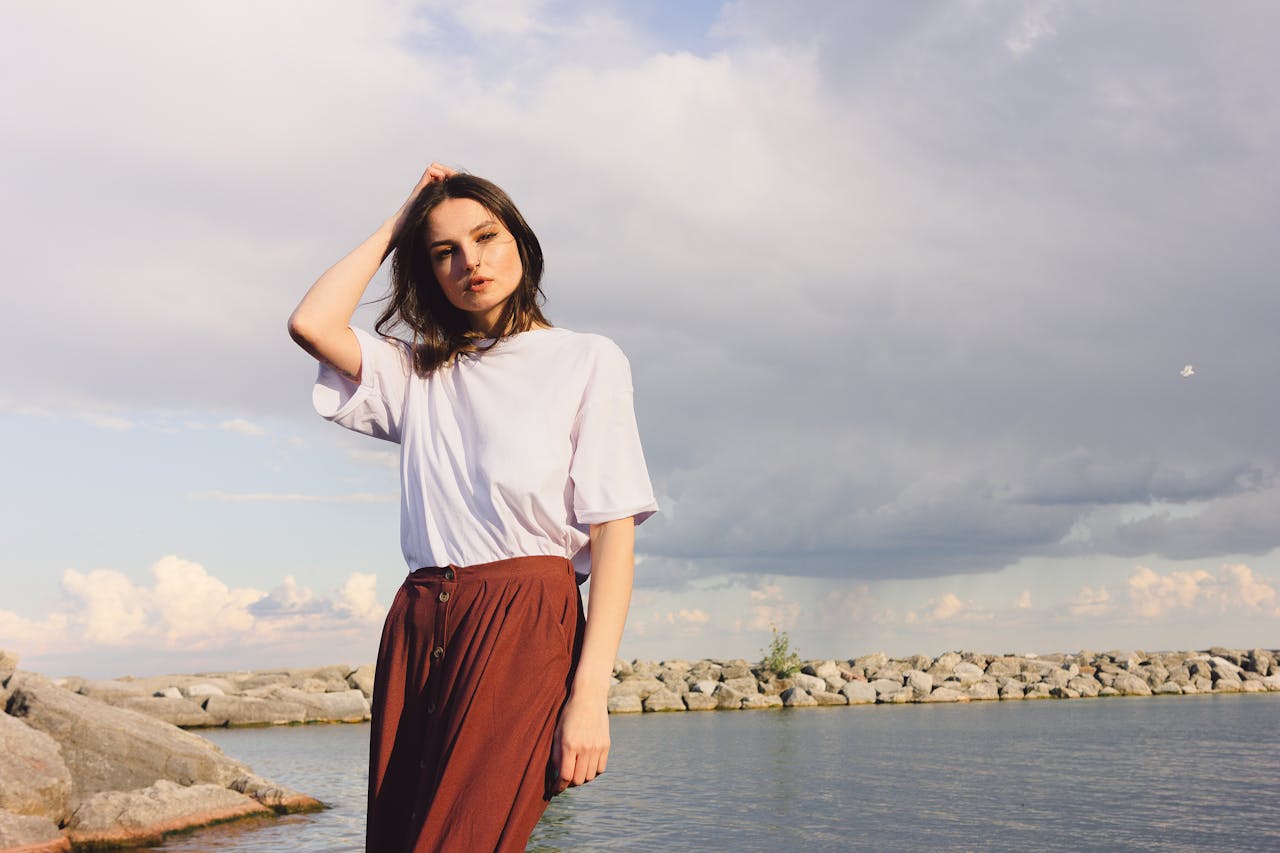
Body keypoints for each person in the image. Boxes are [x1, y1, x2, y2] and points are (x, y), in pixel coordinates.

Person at [287, 162, 657, 852]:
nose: (471, 261)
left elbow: (613, 534)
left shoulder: (586, 359)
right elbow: (311, 321)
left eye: (486, 237)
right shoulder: (421, 371)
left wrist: (589, 696)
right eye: (444, 251)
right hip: (419, 616)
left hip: (523, 616)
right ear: (426, 270)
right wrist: (403, 218)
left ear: (519, 239)